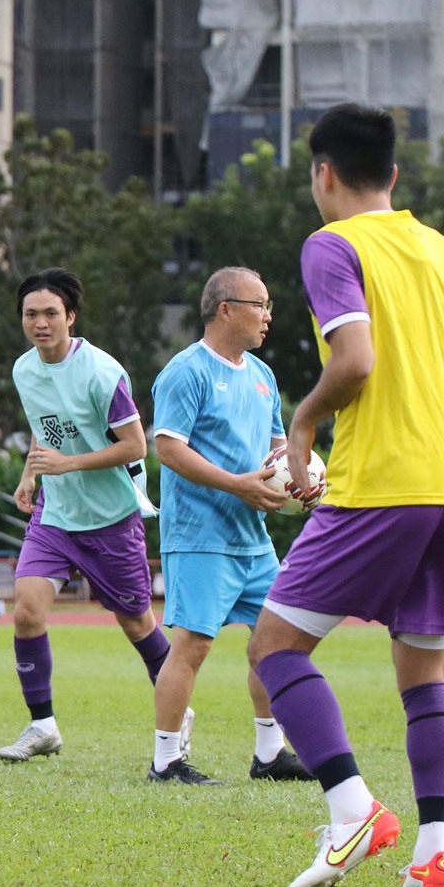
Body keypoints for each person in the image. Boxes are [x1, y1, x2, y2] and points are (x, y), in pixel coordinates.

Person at [245, 103, 444, 887]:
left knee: (273, 648)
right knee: (424, 671)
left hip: (382, 484)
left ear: (322, 173)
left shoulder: (333, 245)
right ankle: (436, 854)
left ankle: (352, 807)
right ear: (393, 174)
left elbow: (354, 360)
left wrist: (302, 419)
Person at [0, 268, 184, 762]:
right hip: (55, 513)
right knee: (27, 610)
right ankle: (42, 726)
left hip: (110, 518)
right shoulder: (23, 369)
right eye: (30, 314)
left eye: (50, 313)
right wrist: (31, 473)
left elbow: (135, 446)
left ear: (70, 317)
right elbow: (46, 427)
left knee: (138, 624)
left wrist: (69, 463)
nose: (40, 323)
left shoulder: (103, 373)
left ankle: (177, 711)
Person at [147, 267, 315, 786]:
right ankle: (166, 762)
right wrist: (237, 485)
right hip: (199, 536)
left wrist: (306, 473)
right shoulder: (186, 371)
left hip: (252, 538)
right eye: (259, 304)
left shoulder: (262, 375)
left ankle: (270, 755)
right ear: (226, 309)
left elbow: (275, 447)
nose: (268, 315)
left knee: (277, 640)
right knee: (192, 646)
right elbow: (168, 447)